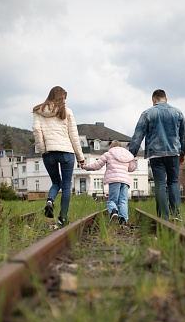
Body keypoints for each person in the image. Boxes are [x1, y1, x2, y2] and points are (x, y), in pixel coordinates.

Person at [129, 89, 185, 221]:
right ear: (166, 99)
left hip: (156, 154)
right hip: (173, 153)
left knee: (160, 184)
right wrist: (183, 152)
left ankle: (163, 217)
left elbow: (138, 136)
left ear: (153, 100)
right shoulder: (177, 112)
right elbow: (183, 135)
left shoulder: (148, 113)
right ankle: (176, 214)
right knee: (173, 182)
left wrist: (131, 155)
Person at [32, 86, 85, 228]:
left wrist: (43, 150)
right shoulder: (67, 112)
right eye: (64, 99)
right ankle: (62, 218)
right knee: (66, 186)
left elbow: (37, 131)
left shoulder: (39, 111)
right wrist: (80, 157)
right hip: (66, 153)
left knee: (56, 182)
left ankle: (50, 200)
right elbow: (74, 136)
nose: (65, 102)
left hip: (49, 153)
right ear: (60, 98)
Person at [83, 140, 136, 226]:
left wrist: (85, 167)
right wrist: (132, 160)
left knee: (112, 200)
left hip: (114, 180)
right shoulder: (127, 155)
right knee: (123, 201)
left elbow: (97, 165)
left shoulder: (108, 154)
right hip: (125, 181)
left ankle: (113, 211)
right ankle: (123, 221)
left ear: (111, 147)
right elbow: (132, 168)